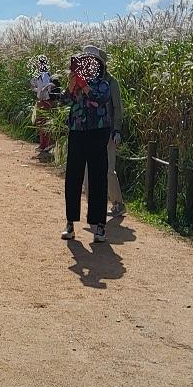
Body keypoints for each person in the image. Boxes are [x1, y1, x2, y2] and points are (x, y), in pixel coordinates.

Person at [53, 50, 113, 243]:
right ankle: (70, 222)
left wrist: (84, 85)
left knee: (98, 177)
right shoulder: (76, 83)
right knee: (73, 177)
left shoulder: (103, 84)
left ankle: (99, 225)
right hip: (77, 132)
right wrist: (71, 86)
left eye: (90, 62)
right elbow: (63, 101)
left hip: (98, 132)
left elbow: (99, 100)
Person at [80, 45, 126, 217]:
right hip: (88, 131)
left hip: (107, 132)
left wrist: (117, 130)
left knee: (108, 170)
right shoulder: (83, 81)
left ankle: (118, 203)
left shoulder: (111, 82)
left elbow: (117, 107)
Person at [30, 55, 54, 155]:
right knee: (41, 123)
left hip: (45, 101)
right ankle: (43, 144)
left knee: (44, 123)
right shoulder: (41, 75)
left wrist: (39, 92)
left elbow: (47, 88)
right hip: (42, 100)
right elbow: (40, 89)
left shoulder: (45, 76)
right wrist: (34, 89)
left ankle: (47, 144)